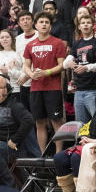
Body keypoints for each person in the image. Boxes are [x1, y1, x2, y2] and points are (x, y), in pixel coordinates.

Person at [0, 74, 34, 187]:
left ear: (7, 89)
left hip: (5, 144)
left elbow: (29, 121)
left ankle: (10, 183)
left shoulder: (15, 106)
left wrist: (15, 139)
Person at [23, 12, 67, 153]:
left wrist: (46, 72)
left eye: (46, 22)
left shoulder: (57, 43)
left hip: (53, 88)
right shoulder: (30, 45)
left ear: (50, 26)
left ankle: (58, 153)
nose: (44, 24)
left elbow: (62, 65)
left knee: (56, 122)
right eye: (41, 22)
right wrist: (31, 74)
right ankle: (41, 155)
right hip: (35, 88)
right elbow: (26, 65)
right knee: (39, 122)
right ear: (35, 25)